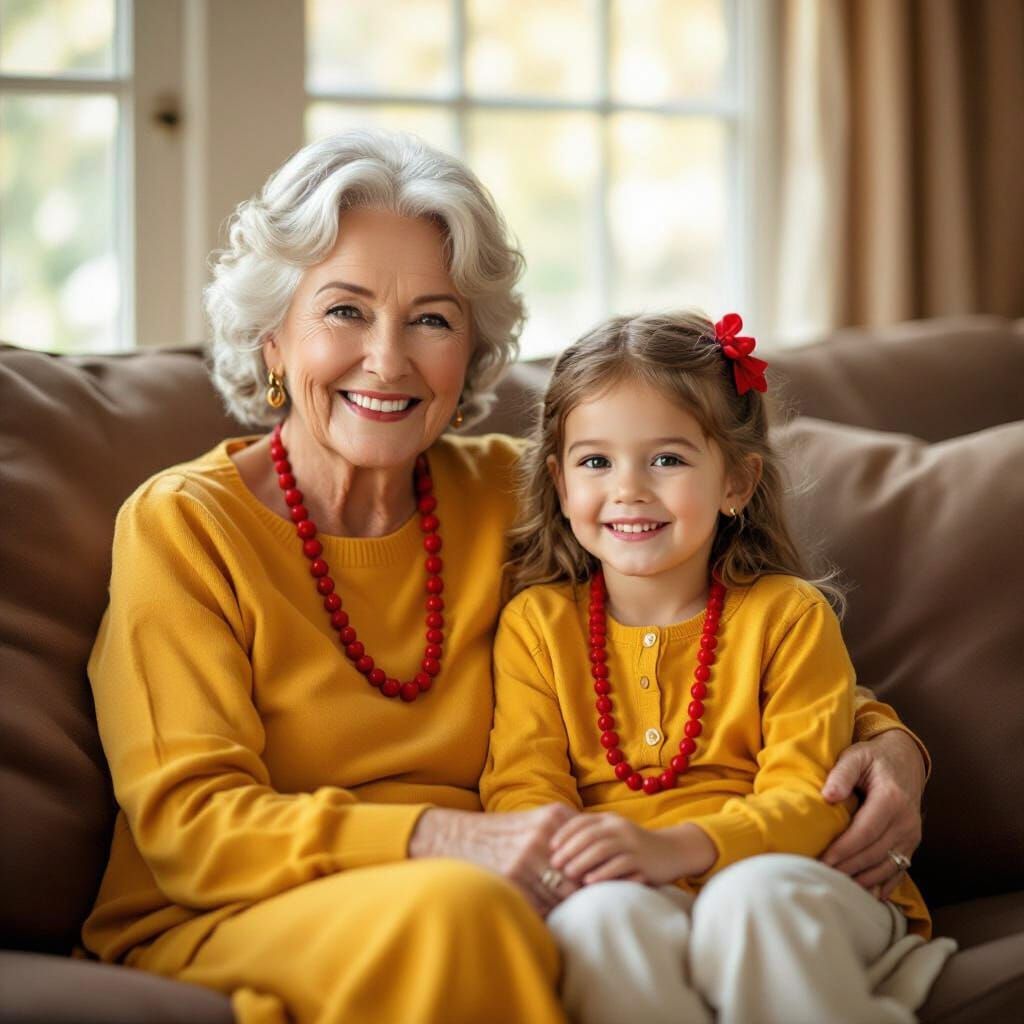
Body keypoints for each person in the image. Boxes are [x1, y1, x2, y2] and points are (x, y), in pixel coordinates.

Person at [80, 130, 932, 1024]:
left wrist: (894, 747)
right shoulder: (185, 523)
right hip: (239, 907)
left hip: (523, 876)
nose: (388, 358)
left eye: (432, 319)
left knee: (557, 916)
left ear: (473, 350)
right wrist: (451, 838)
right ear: (272, 342)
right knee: (481, 911)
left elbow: (710, 627)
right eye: (344, 311)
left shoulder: (512, 492)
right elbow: (190, 826)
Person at [481, 310, 955, 1024]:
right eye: (595, 461)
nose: (629, 489)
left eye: (666, 459)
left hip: (797, 883)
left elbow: (810, 800)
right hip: (630, 892)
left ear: (736, 481)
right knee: (596, 921)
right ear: (558, 480)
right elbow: (522, 787)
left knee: (748, 900)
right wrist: (578, 859)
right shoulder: (537, 627)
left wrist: (675, 847)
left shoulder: (787, 615)